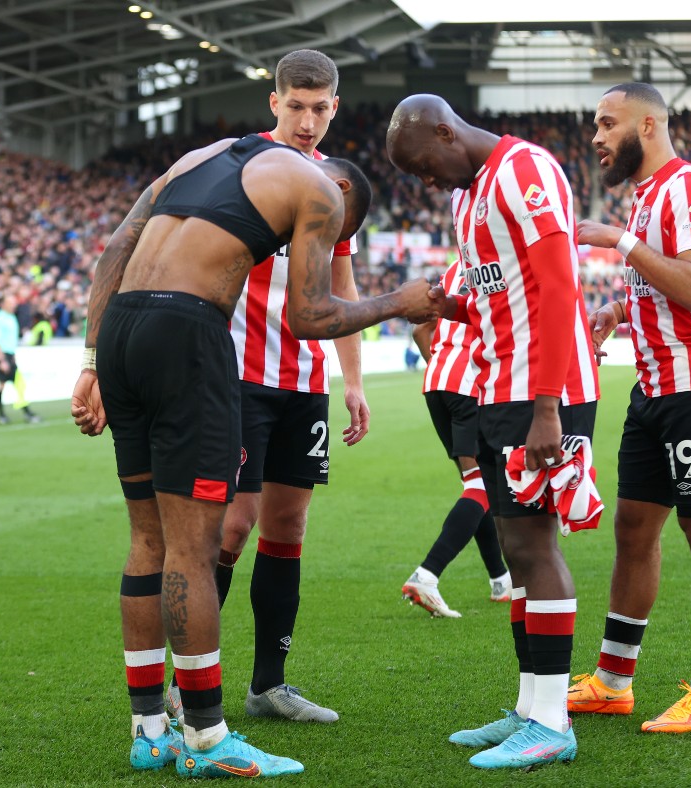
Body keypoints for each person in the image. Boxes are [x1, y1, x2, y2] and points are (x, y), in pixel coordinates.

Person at [69, 133, 434, 777]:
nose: (313, 244)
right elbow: (311, 315)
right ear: (342, 191)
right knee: (192, 549)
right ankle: (207, 738)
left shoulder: (200, 159)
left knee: (146, 541)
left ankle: (149, 730)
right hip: (188, 332)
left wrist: (93, 361)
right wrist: (397, 305)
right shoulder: (320, 187)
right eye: (330, 233)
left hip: (123, 329)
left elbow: (115, 251)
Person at [387, 93, 600, 770]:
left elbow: (559, 286)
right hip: (497, 383)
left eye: (426, 165)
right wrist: (455, 309)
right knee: (515, 547)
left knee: (535, 547)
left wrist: (545, 406)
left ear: (448, 133)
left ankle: (553, 721)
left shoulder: (524, 171)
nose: (428, 181)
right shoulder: (465, 196)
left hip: (545, 390)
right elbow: (498, 299)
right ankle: (530, 707)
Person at [565, 83, 691, 734]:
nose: (595, 136)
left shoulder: (688, 188)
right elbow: (661, 282)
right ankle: (614, 681)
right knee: (633, 529)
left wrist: (619, 243)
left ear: (647, 126)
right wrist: (618, 311)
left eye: (605, 123)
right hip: (654, 387)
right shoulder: (646, 197)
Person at [194, 49, 366, 726]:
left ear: (334, 109)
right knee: (232, 524)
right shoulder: (240, 165)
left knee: (288, 525)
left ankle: (269, 685)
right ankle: (193, 680)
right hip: (237, 376)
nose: (307, 120)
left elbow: (343, 287)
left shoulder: (335, 183)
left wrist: (352, 380)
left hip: (305, 382)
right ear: (274, 103)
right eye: (295, 106)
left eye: (319, 108)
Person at [401, 260, 510, 619]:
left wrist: (443, 366)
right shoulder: (503, 263)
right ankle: (427, 574)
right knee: (481, 488)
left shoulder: (454, 268)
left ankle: (500, 579)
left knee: (476, 485)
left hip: (437, 383)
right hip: (471, 386)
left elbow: (421, 332)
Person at [0, 294, 41, 425]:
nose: (14, 304)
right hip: (3, 355)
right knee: (5, 385)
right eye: (10, 302)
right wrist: (1, 360)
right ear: (3, 304)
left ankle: (19, 413)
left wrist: (12, 358)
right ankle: (7, 414)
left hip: (10, 355)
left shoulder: (12, 317)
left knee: (18, 384)